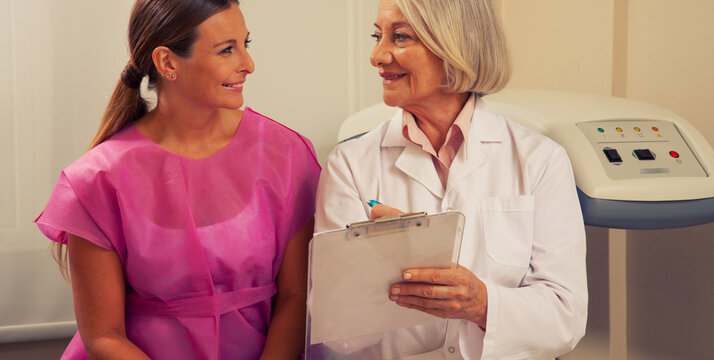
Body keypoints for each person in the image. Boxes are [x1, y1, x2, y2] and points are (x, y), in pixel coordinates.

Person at [34, 0, 320, 358]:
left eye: (246, 44)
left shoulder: (286, 153)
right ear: (168, 63)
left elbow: (296, 297)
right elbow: (104, 336)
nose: (248, 64)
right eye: (227, 50)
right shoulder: (96, 181)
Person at [314, 0, 588, 358]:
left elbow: (565, 319)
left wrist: (482, 304)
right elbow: (338, 335)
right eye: (376, 35)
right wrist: (379, 263)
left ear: (455, 45)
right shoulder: (349, 166)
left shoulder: (540, 160)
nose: (377, 55)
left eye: (399, 37)